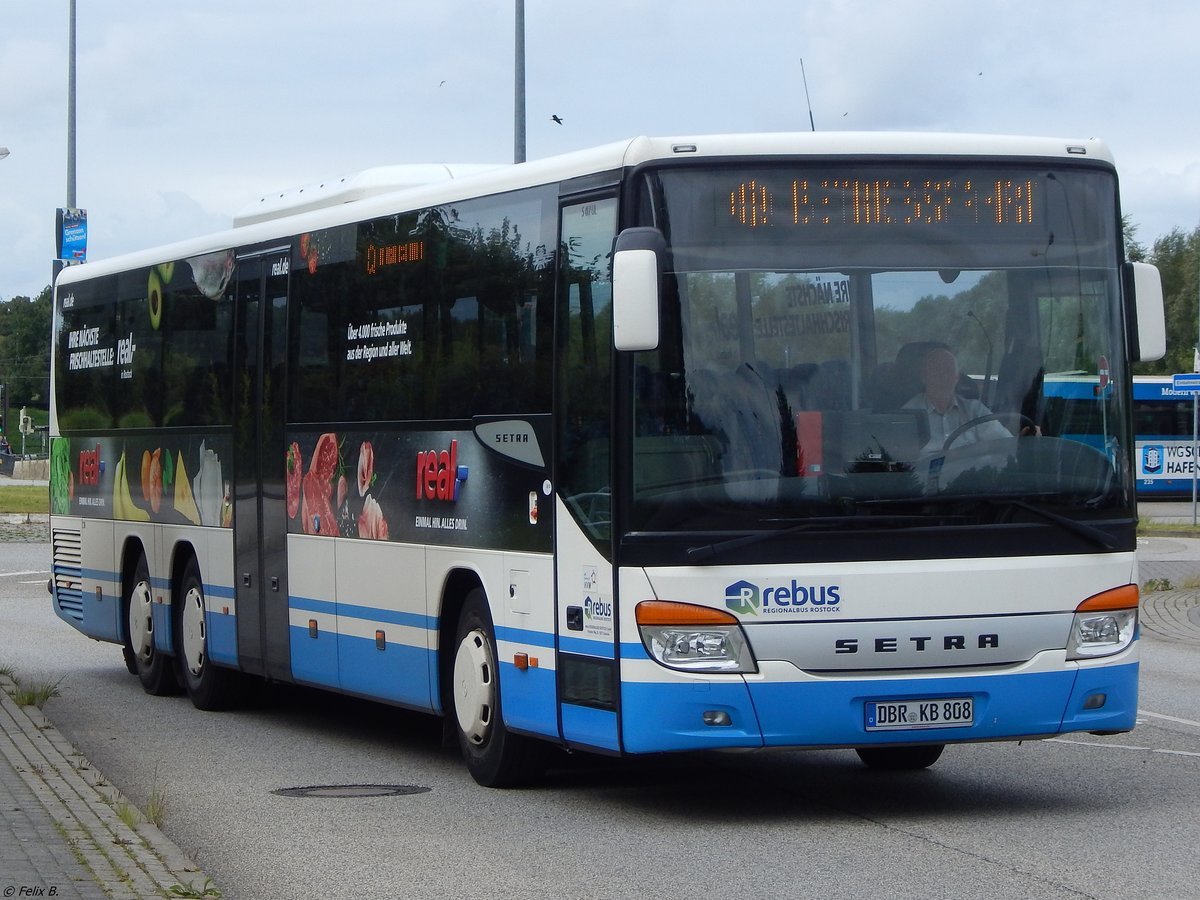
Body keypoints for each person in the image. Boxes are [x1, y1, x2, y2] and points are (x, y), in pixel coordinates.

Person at [902, 346, 1014, 452]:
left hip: (972, 471)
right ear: (924, 377)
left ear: (957, 378)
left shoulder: (975, 411)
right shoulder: (908, 415)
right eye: (936, 371)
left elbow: (1006, 446)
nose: (943, 377)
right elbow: (901, 462)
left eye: (948, 371)